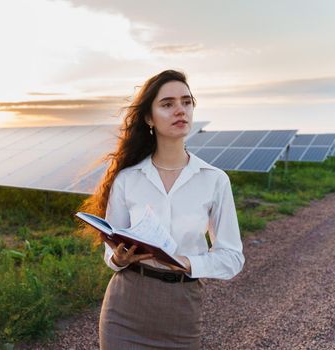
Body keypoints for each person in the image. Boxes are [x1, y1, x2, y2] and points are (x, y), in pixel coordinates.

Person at [80, 70, 245, 349]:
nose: (180, 110)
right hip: (126, 306)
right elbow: (110, 250)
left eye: (186, 102)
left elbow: (232, 258)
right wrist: (119, 258)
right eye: (167, 104)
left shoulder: (214, 179)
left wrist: (188, 262)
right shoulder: (128, 179)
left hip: (181, 310)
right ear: (149, 118)